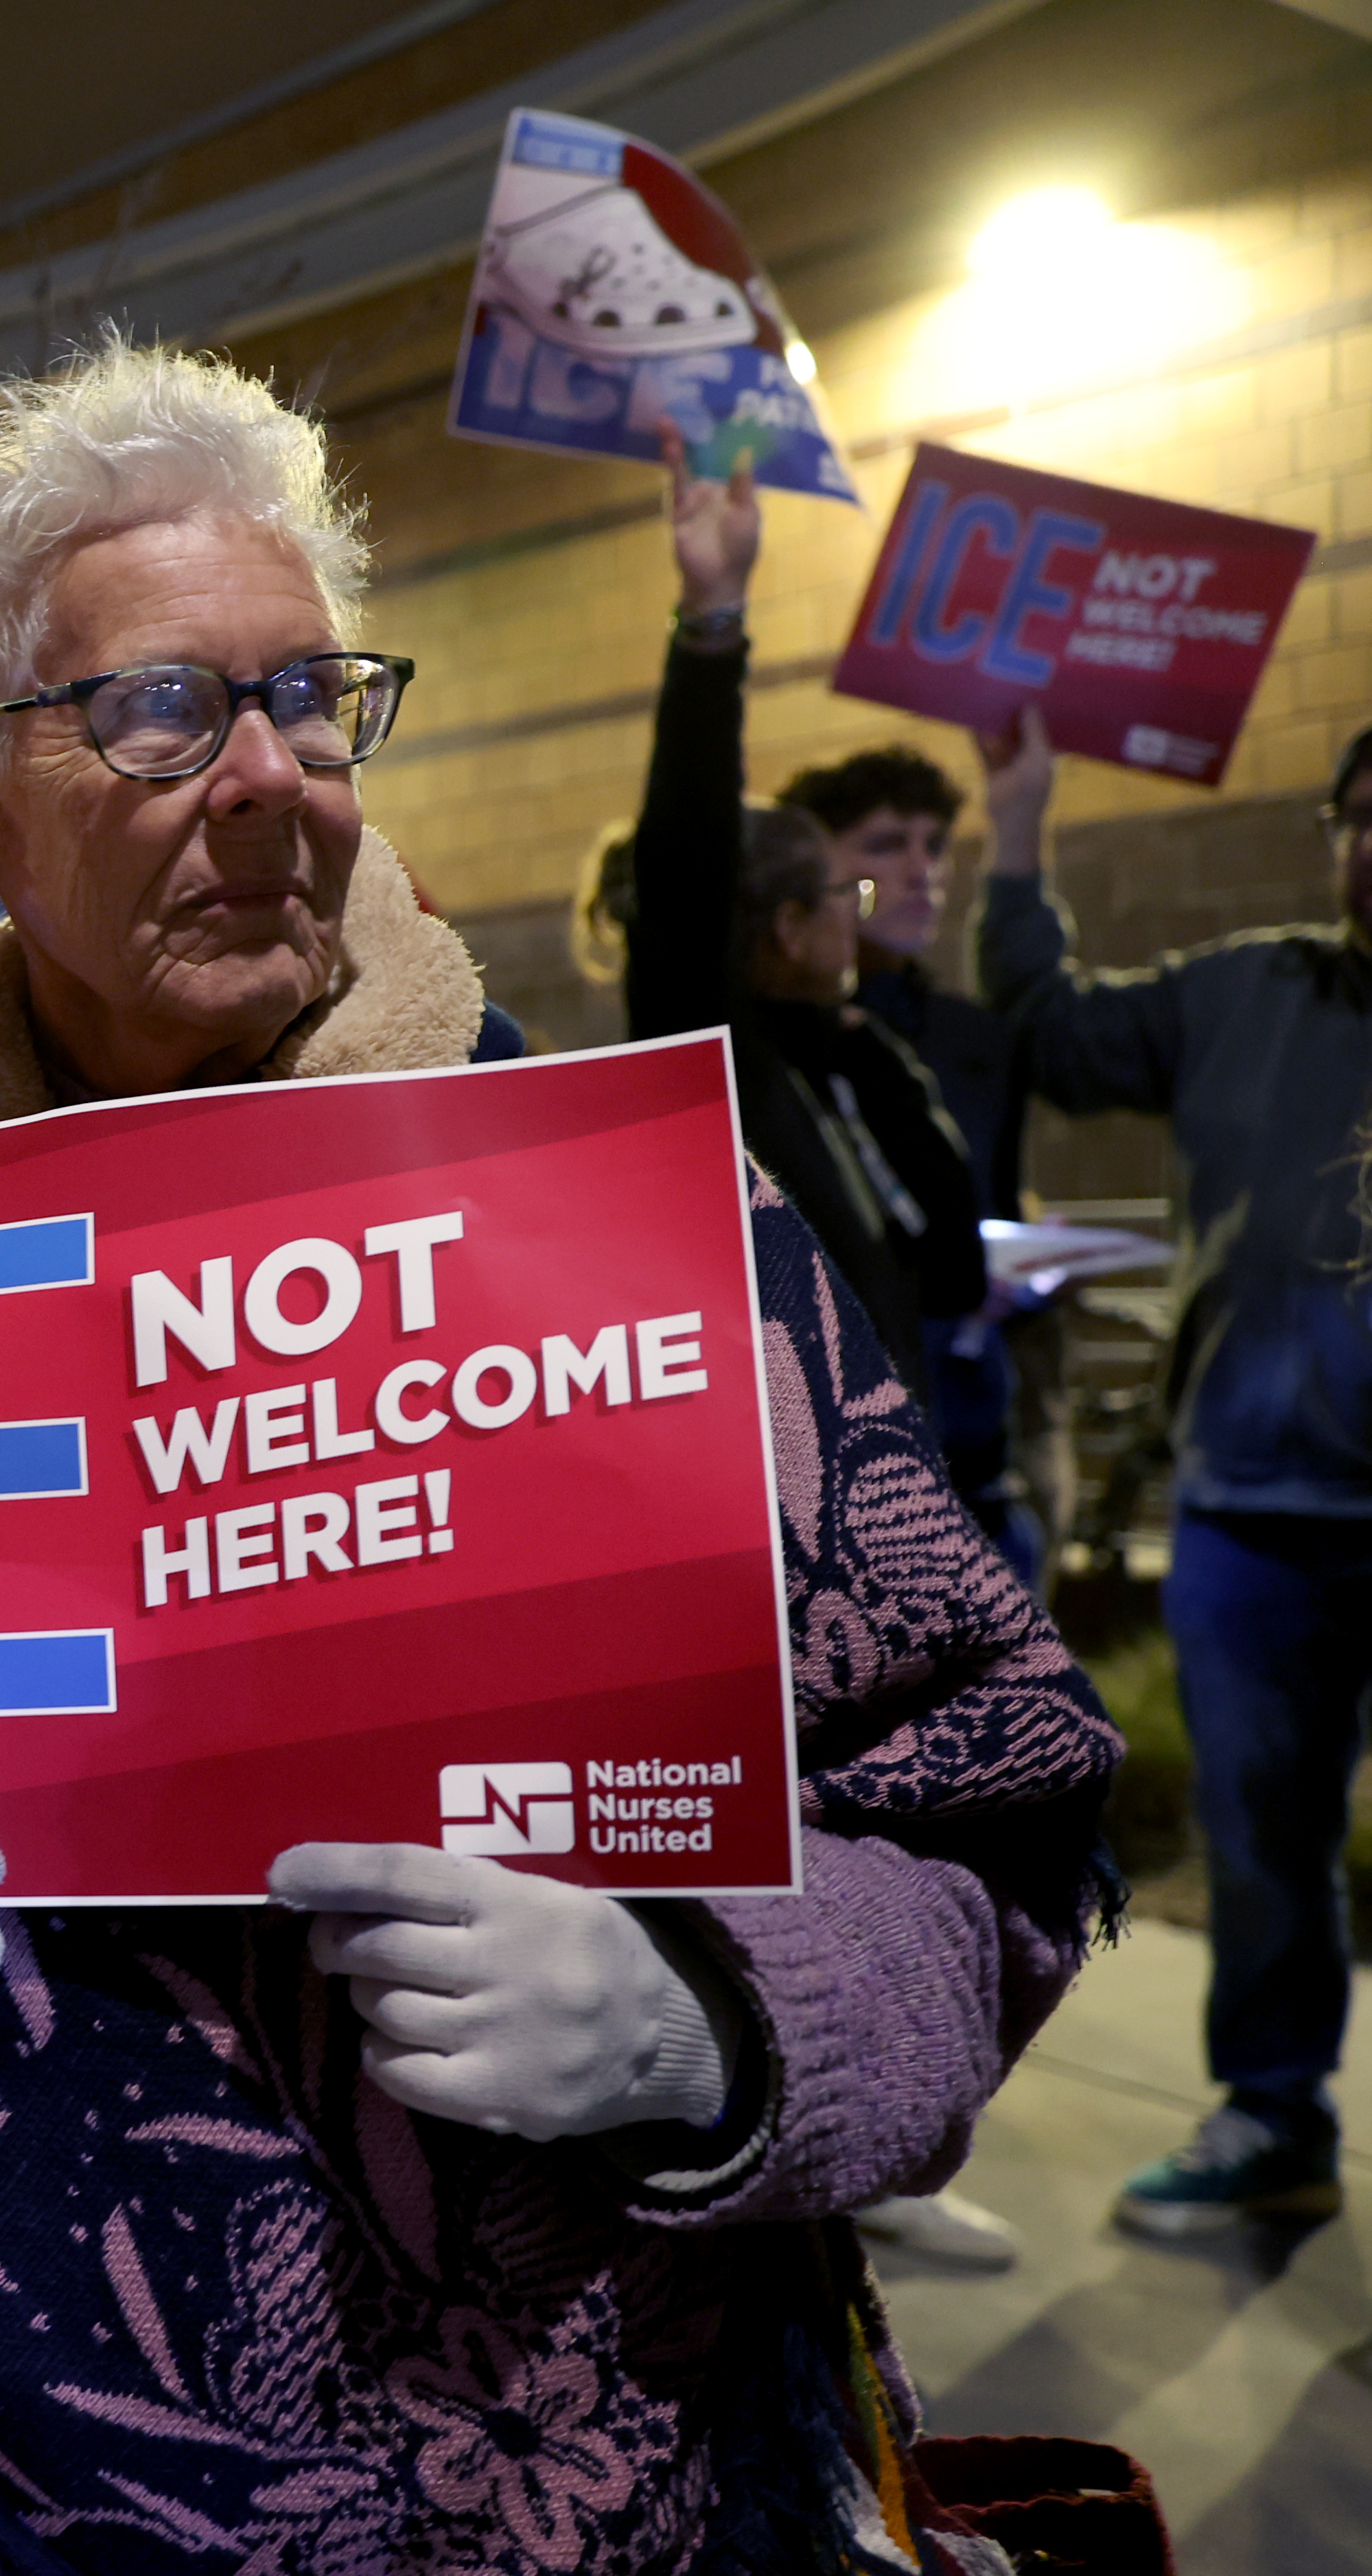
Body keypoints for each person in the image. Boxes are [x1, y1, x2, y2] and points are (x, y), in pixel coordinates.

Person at [0, 341, 1119, 2576]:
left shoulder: (631, 1224)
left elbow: (999, 1811)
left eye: (307, 700)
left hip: (635, 2562)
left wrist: (714, 2014)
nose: (261, 785)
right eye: (154, 713)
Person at [982, 708, 1372, 2240]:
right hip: (1248, 1519)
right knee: (1265, 1853)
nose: (1367, 843)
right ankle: (1272, 2119)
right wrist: (1015, 827)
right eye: (1354, 814)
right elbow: (1053, 1028)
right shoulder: (1238, 992)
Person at [625, 432, 989, 1414]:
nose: (859, 918)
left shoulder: (842, 1066)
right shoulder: (716, 1062)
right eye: (845, 895)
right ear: (786, 927)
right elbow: (682, 877)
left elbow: (945, 1264)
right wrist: (710, 626)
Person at [782, 743, 1049, 1577]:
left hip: (977, 1437)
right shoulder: (780, 1047)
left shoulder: (975, 1040)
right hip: (850, 1469)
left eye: (933, 846)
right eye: (884, 845)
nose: (918, 870)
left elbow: (986, 1215)